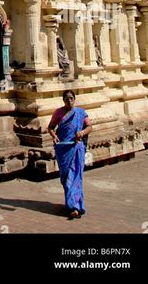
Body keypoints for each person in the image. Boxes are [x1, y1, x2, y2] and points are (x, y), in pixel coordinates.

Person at [47, 90, 92, 219]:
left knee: (76, 176)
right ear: (63, 100)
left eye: (71, 98)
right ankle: (71, 203)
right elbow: (50, 127)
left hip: (77, 148)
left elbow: (90, 126)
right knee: (66, 177)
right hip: (63, 149)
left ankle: (75, 207)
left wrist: (82, 132)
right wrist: (54, 136)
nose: (69, 101)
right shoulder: (58, 113)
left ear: (75, 99)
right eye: (67, 99)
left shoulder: (80, 112)